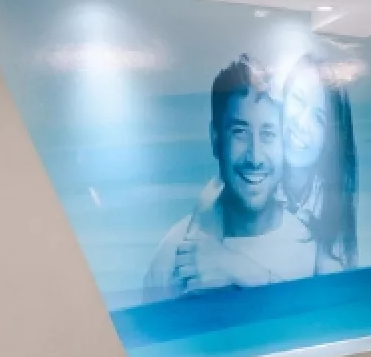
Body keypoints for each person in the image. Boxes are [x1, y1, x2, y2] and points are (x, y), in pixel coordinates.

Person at [143, 57, 316, 300]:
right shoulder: (173, 254)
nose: (255, 157)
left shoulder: (311, 249)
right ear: (216, 140)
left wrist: (230, 267)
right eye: (239, 132)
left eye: (268, 134)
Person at [279, 53, 358, 271]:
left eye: (319, 118)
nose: (302, 124)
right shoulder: (252, 175)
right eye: (298, 100)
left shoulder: (330, 200)